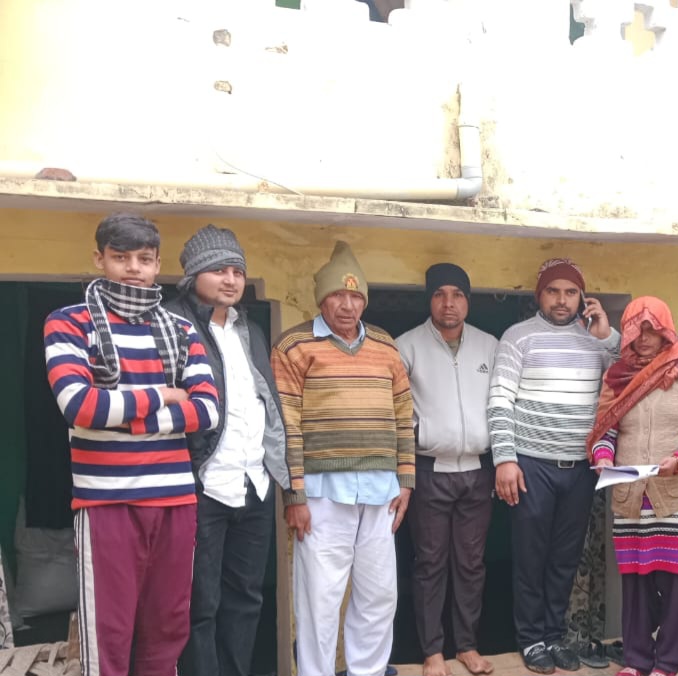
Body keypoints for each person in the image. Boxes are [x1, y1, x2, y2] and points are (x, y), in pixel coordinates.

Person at [43, 213, 219, 676]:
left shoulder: (181, 330)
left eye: (144, 259)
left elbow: (207, 411)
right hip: (106, 502)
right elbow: (80, 407)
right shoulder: (69, 323)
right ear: (99, 259)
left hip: (175, 500)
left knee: (167, 631)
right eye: (121, 257)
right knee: (109, 637)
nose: (133, 269)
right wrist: (163, 395)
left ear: (158, 264)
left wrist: (125, 418)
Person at [271, 241, 414, 676]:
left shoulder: (386, 346)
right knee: (319, 599)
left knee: (378, 595)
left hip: (380, 491)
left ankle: (367, 671)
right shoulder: (294, 346)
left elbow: (404, 414)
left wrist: (406, 481)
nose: (347, 305)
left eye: (355, 296)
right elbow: (286, 424)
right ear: (321, 299)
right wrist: (294, 495)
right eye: (337, 295)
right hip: (320, 493)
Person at [165, 225, 291, 676]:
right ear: (194, 274)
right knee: (199, 602)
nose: (231, 279)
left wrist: (283, 478)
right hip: (203, 485)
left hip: (253, 483)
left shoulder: (249, 330)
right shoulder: (173, 325)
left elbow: (266, 404)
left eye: (237, 271)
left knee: (246, 598)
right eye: (219, 270)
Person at [587, 296, 678, 676]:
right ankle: (637, 660)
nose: (644, 338)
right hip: (631, 497)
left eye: (652, 329)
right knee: (635, 583)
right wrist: (604, 457)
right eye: (636, 330)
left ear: (667, 330)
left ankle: (668, 663)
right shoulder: (618, 376)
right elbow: (606, 430)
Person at [487, 258, 619, 674]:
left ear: (583, 297)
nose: (562, 300)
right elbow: (500, 400)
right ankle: (531, 640)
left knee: (565, 558)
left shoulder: (595, 340)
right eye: (553, 291)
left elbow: (625, 381)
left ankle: (554, 636)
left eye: (570, 292)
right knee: (530, 557)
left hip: (580, 468)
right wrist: (505, 460)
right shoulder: (518, 337)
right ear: (539, 295)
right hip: (532, 466)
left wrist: (608, 336)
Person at [396, 263, 498, 676]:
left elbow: (501, 404)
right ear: (429, 300)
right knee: (430, 563)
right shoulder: (407, 346)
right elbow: (397, 412)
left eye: (457, 294)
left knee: (471, 563)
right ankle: (432, 651)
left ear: (468, 301)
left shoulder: (489, 346)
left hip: (477, 470)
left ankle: (467, 646)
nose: (449, 303)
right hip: (429, 470)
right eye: (440, 294)